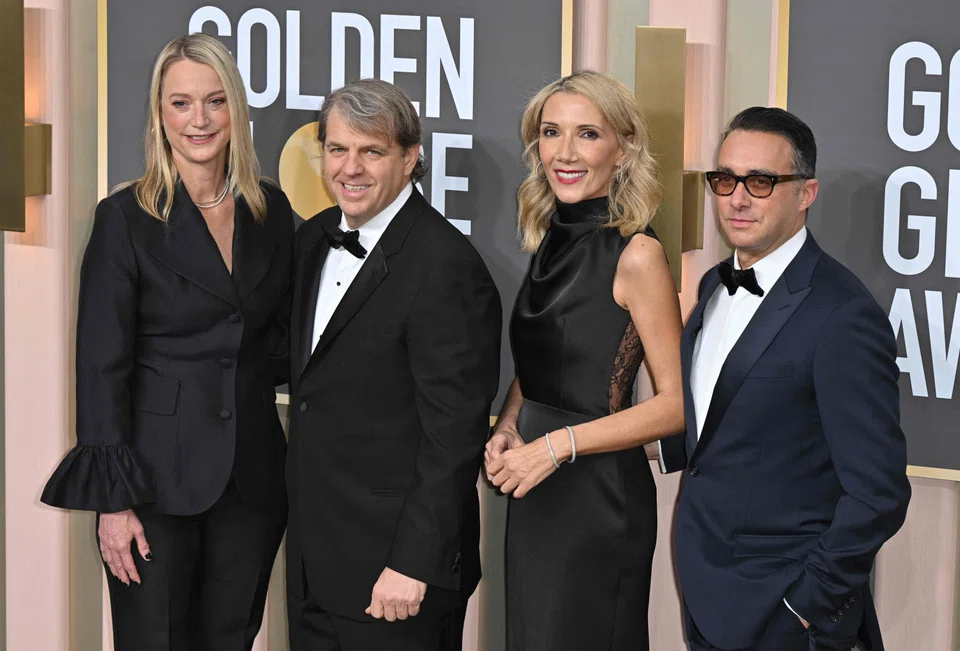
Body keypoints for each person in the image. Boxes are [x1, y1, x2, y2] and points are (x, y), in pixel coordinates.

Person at [40, 34, 292, 650]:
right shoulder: (123, 218)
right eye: (181, 103)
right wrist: (113, 503)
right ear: (159, 113)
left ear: (235, 109)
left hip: (251, 482)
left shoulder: (273, 212)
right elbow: (100, 365)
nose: (199, 120)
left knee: (231, 639)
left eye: (214, 102)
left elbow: (282, 341)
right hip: (152, 484)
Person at [659, 107, 912, 651]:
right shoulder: (711, 287)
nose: (738, 198)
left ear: (807, 193)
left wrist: (806, 606)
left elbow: (880, 493)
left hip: (788, 614)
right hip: (706, 595)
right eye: (725, 179)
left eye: (762, 181)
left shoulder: (843, 314)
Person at [285, 78, 501, 651]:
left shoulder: (446, 266)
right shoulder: (311, 241)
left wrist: (414, 564)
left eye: (371, 151)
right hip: (314, 566)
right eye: (337, 149)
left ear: (411, 158)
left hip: (397, 577)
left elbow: (452, 438)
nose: (349, 168)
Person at [483, 70, 685, 651]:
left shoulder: (638, 254)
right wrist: (508, 425)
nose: (564, 153)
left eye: (587, 134)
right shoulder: (550, 234)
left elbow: (674, 407)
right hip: (536, 486)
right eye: (551, 132)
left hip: (597, 494)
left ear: (623, 148)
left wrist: (554, 446)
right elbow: (547, 359)